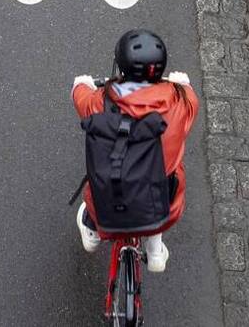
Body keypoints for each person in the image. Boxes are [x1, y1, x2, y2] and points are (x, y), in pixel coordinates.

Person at [72, 29, 199, 272]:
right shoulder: (181, 102)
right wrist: (183, 83)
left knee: (99, 177)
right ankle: (154, 250)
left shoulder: (99, 102)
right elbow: (191, 96)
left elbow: (80, 97)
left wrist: (81, 84)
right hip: (163, 207)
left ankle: (93, 233)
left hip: (108, 208)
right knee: (162, 181)